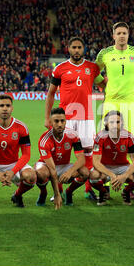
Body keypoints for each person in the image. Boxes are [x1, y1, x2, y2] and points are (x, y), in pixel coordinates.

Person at [46, 36, 103, 201]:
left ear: (83, 49)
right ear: (69, 49)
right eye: (74, 47)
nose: (76, 50)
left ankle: (87, 189)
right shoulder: (60, 68)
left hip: (86, 118)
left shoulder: (92, 68)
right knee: (60, 153)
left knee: (87, 153)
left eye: (79, 47)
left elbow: (103, 83)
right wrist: (47, 118)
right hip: (65, 118)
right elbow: (50, 93)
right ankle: (59, 191)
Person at [95, 22, 134, 197]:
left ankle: (127, 185)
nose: (122, 36)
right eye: (119, 33)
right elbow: (94, 71)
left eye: (124, 33)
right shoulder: (105, 53)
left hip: (130, 103)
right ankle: (105, 184)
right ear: (113, 35)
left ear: (128, 35)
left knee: (128, 144)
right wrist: (102, 84)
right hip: (110, 103)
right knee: (107, 143)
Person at [89, 110, 134, 206]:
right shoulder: (100, 137)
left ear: (122, 123)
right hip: (105, 167)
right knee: (93, 175)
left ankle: (126, 192)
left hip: (123, 166)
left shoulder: (128, 136)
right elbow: (96, 162)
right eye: (111, 122)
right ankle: (103, 192)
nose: (115, 125)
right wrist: (112, 175)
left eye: (118, 122)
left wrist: (124, 176)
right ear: (106, 123)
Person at [35, 107, 88, 207]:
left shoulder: (73, 135)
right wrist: (56, 194)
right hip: (47, 165)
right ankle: (43, 193)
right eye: (56, 121)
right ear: (51, 122)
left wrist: (69, 172)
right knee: (41, 174)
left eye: (62, 121)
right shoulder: (44, 140)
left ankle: (68, 192)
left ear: (65, 121)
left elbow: (81, 159)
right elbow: (52, 169)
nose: (60, 124)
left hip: (64, 166)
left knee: (85, 172)